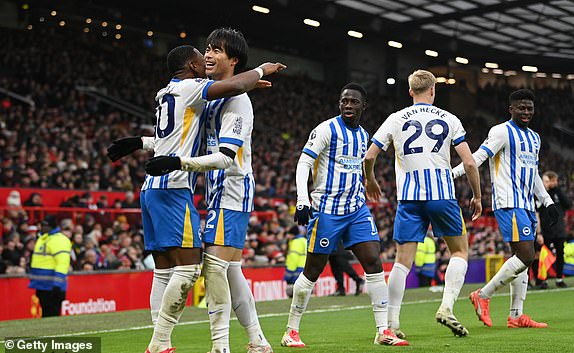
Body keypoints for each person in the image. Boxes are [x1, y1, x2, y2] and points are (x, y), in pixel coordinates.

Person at [106, 44, 285, 353]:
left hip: (214, 190)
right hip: (179, 189)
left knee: (206, 269)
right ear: (192, 64)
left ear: (232, 59)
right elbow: (236, 85)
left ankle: (242, 341)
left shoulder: (169, 93)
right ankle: (165, 342)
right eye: (205, 54)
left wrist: (141, 143)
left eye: (215, 51)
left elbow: (203, 147)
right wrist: (259, 71)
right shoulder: (197, 90)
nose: (208, 58)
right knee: (196, 270)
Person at [280, 82, 408, 348]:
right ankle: (291, 330)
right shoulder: (326, 129)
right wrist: (303, 200)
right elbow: (304, 162)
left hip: (356, 209)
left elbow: (359, 167)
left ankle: (383, 330)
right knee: (313, 270)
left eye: (353, 102)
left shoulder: (363, 135)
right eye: (344, 101)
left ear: (364, 106)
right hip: (327, 210)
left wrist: (369, 179)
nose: (348, 105)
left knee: (373, 260)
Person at [364, 69, 482, 339]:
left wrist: (369, 180)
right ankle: (447, 307)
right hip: (442, 195)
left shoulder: (395, 119)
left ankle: (391, 324)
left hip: (409, 197)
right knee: (459, 252)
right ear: (433, 91)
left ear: (410, 92)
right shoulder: (450, 119)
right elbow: (469, 162)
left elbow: (369, 157)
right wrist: (477, 195)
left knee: (401, 262)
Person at [452, 88, 559, 329]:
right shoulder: (500, 132)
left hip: (527, 205)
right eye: (521, 107)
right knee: (526, 255)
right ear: (510, 109)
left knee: (522, 259)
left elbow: (533, 175)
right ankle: (483, 295)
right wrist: (452, 174)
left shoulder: (534, 138)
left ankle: (516, 315)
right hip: (509, 202)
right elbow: (477, 157)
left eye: (529, 108)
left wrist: (548, 202)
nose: (526, 112)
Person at [532, 171, 571, 288]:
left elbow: (568, 204)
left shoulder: (558, 193)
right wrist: (539, 232)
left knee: (560, 255)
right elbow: (537, 213)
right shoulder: (540, 195)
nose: (549, 183)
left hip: (559, 230)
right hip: (546, 231)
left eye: (552, 181)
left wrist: (557, 189)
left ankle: (559, 278)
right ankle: (544, 280)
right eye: (547, 181)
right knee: (543, 257)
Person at [28, 215, 72, 317]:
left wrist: (57, 284)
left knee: (52, 317)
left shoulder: (59, 240)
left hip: (52, 286)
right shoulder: (43, 239)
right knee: (46, 316)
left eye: (44, 225)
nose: (41, 227)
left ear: (51, 226)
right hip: (42, 286)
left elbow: (62, 263)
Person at [284, 226, 306, 298]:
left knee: (294, 292)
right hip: (304, 267)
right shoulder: (304, 240)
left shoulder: (296, 242)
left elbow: (294, 257)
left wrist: (289, 271)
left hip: (296, 269)